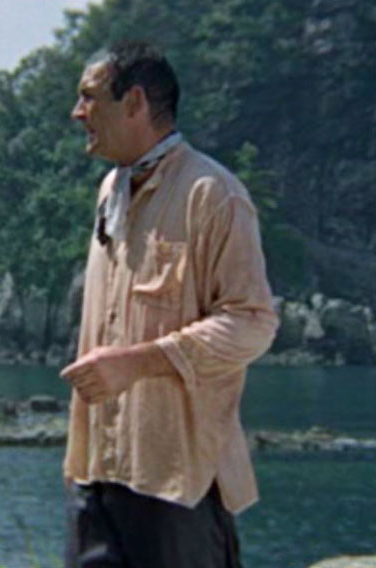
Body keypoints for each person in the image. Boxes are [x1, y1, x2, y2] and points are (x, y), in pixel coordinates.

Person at [59, 41, 279, 567]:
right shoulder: (110, 189)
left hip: (180, 485)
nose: (77, 112)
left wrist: (138, 362)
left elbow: (253, 322)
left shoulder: (213, 194)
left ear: (134, 102)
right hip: (96, 474)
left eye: (89, 97)